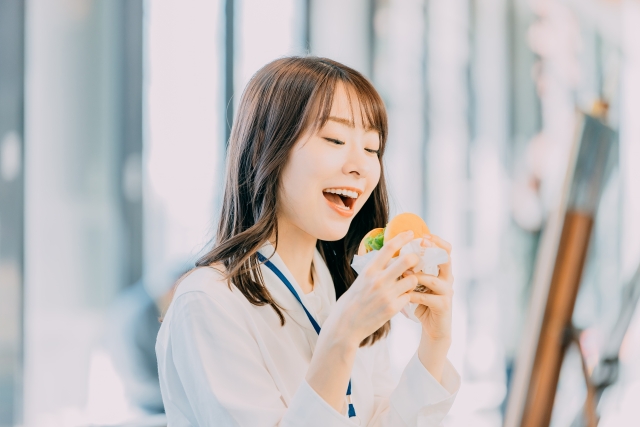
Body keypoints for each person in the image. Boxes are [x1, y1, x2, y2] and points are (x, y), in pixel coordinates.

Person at [156, 56, 460, 426]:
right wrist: (342, 334)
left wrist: (435, 339)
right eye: (335, 139)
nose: (362, 166)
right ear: (265, 148)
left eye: (372, 148)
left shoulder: (351, 287)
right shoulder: (208, 303)